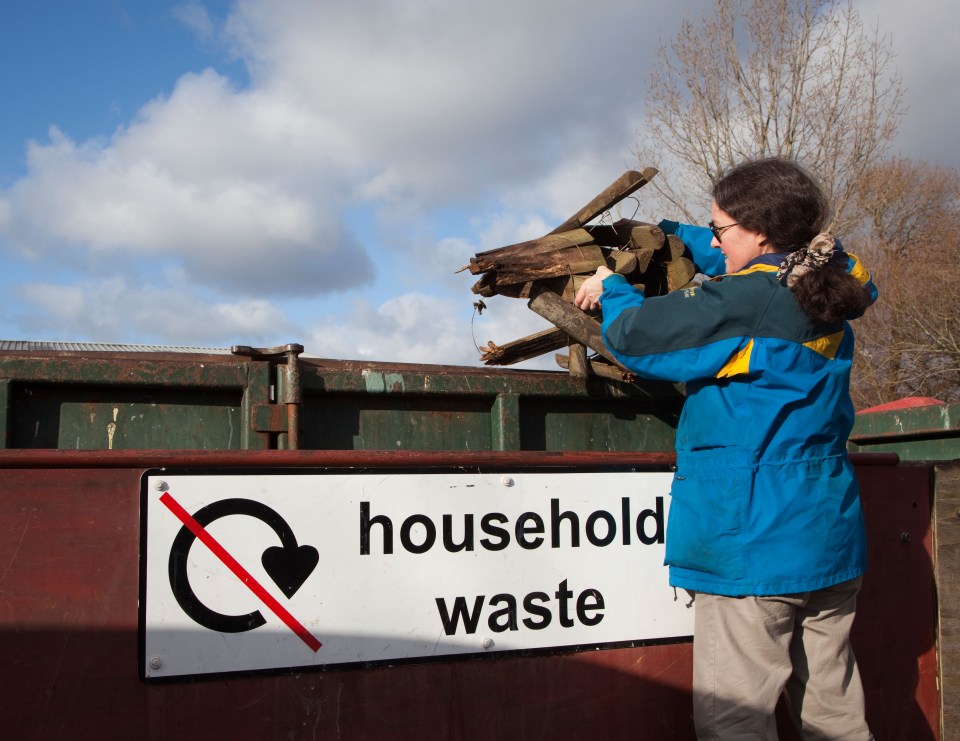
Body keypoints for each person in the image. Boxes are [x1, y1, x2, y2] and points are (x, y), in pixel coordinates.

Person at [574, 157, 878, 740]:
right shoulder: (834, 278)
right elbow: (762, 270)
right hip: (827, 536)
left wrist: (610, 288)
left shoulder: (748, 303)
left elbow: (639, 338)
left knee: (734, 722)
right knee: (834, 716)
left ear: (760, 230)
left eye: (719, 228)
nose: (714, 239)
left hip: (754, 544)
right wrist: (677, 237)